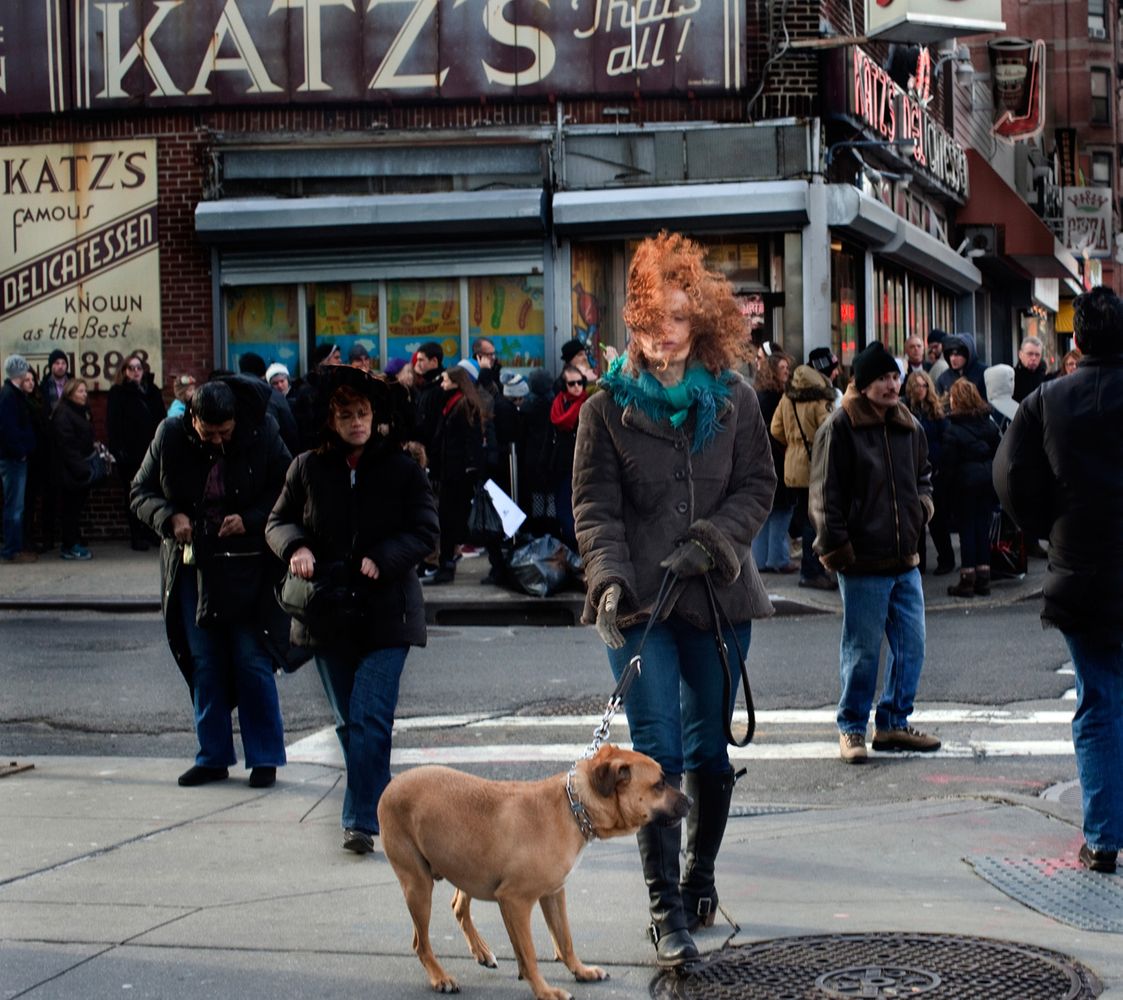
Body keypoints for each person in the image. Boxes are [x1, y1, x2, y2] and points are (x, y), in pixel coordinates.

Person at [572, 231, 776, 969]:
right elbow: (593, 507)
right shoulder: (604, 410)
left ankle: (700, 874)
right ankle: (664, 912)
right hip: (637, 609)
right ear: (634, 321)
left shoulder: (736, 400)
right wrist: (608, 578)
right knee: (656, 755)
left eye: (680, 318)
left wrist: (715, 541)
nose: (666, 334)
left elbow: (759, 486)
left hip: (718, 599)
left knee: (709, 757)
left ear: (703, 323)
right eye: (653, 319)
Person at [266, 367, 438, 854]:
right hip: (329, 616)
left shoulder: (402, 468)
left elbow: (427, 532)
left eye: (363, 413)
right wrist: (295, 546)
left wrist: (383, 558)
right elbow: (278, 521)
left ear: (374, 416)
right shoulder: (306, 468)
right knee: (350, 724)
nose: (357, 422)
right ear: (330, 420)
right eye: (346, 415)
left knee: (367, 717)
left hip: (388, 615)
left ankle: (361, 820)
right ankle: (387, 808)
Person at [994, 285, 1123, 875]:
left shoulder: (1047, 401)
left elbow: (1012, 476)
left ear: (1076, 341)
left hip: (1082, 571)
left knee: (1097, 702)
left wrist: (1051, 526)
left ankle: (1102, 836)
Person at [131, 376, 291, 789]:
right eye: (208, 433)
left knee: (252, 659)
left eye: (225, 432)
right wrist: (170, 517)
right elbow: (140, 491)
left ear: (237, 420)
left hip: (247, 563)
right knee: (204, 663)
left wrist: (252, 519)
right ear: (193, 420)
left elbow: (288, 489)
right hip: (191, 565)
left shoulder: (264, 430)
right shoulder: (169, 434)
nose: (217, 441)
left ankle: (265, 758)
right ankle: (213, 755)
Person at [810, 340, 940, 764]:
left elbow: (924, 475)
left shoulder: (909, 425)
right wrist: (838, 552)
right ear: (863, 384)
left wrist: (923, 509)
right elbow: (825, 496)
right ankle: (851, 727)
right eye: (883, 378)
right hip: (862, 561)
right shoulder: (840, 426)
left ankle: (893, 722)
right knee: (862, 650)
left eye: (894, 377)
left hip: (905, 559)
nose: (892, 384)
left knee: (912, 647)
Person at [425, 365, 494, 585]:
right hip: (451, 474)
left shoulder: (463, 405)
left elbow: (470, 443)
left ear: (456, 382)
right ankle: (446, 564)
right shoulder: (453, 405)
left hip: (458, 477)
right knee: (450, 521)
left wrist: (470, 470)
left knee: (452, 521)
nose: (442, 385)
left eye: (445, 380)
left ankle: (447, 565)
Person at [771, 361, 837, 590]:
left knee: (804, 516)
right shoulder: (820, 400)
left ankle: (813, 569)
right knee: (815, 522)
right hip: (814, 464)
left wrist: (794, 444)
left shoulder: (786, 398)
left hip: (792, 466)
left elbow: (775, 429)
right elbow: (830, 430)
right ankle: (811, 572)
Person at [941, 380, 1000, 598]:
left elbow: (948, 464)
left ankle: (968, 579)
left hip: (964, 486)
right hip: (986, 482)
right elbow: (998, 451)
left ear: (955, 400)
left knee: (967, 531)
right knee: (982, 529)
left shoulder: (953, 429)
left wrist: (945, 490)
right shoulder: (989, 424)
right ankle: (984, 578)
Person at [108, 352, 166, 551]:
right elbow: (113, 424)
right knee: (133, 494)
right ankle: (136, 535)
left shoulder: (152, 392)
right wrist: (118, 451)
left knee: (154, 493)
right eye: (130, 368)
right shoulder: (118, 393)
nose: (135, 372)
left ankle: (151, 531)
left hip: (151, 452)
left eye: (138, 368)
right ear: (124, 372)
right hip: (130, 455)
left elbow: (162, 420)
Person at [903, 369, 953, 575]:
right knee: (916, 520)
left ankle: (946, 559)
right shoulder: (904, 408)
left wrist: (940, 464)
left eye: (924, 385)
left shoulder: (936, 410)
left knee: (938, 519)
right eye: (917, 385)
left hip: (935, 471)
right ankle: (919, 562)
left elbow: (946, 439)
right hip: (911, 470)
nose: (921, 389)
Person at [752, 351, 796, 573]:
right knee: (781, 510)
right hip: (778, 460)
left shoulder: (758, 395)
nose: (787, 372)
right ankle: (778, 558)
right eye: (783, 369)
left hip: (760, 460)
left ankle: (760, 560)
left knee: (765, 513)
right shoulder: (778, 398)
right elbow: (778, 431)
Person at [50, 379, 97, 560]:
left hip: (77, 468)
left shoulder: (80, 411)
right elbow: (67, 446)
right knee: (70, 510)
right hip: (69, 471)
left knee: (75, 509)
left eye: (85, 391)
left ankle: (73, 541)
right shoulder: (63, 414)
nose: (84, 394)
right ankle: (69, 546)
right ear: (70, 394)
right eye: (80, 391)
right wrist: (82, 469)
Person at [0, 355, 38, 564]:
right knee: (14, 507)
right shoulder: (9, 396)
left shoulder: (13, 394)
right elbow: (8, 429)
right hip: (13, 459)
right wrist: (21, 451)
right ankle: (12, 550)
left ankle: (14, 548)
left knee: (15, 505)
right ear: (20, 372)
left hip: (15, 457)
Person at [549, 363, 591, 552]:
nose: (576, 387)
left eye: (580, 382)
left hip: (584, 463)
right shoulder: (558, 403)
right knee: (564, 508)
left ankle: (579, 547)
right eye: (571, 383)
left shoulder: (588, 404)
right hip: (562, 464)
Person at [238, 352, 299, 455]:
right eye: (275, 383)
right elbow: (290, 432)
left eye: (282, 381)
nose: (280, 386)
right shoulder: (274, 397)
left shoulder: (236, 393)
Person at [412, 340, 446, 448]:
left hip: (433, 450)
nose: (417, 364)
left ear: (434, 361)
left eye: (421, 360)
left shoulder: (441, 387)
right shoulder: (427, 385)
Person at [935, 332, 988, 401]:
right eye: (950, 355)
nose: (953, 359)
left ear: (968, 354)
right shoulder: (944, 378)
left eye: (957, 354)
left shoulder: (984, 373)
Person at [1013, 335, 1048, 402]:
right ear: (1020, 354)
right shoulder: (1012, 378)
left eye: (1037, 355)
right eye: (1030, 354)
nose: (1034, 358)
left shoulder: (1046, 379)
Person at [40, 349, 71, 414]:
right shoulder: (44, 386)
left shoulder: (73, 384)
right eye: (57, 363)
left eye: (63, 363)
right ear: (51, 366)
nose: (60, 366)